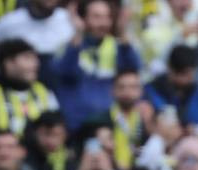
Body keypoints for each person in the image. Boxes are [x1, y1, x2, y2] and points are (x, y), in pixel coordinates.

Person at [51, 0, 140, 134]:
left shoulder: (116, 46)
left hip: (110, 124)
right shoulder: (69, 46)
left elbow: (133, 69)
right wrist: (78, 33)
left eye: (107, 17)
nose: (103, 23)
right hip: (77, 126)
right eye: (97, 17)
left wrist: (122, 33)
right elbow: (66, 71)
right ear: (82, 18)